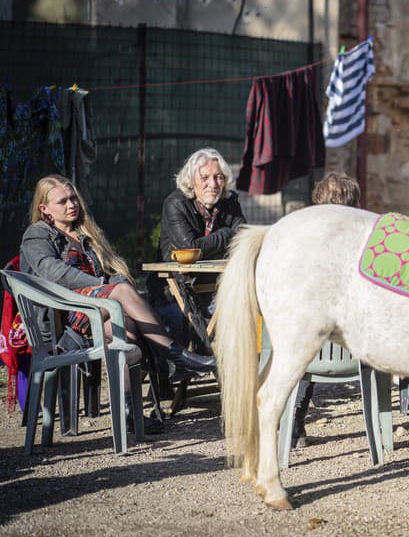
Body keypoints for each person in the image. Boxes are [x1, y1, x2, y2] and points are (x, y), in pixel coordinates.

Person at [20, 175, 217, 433]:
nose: (71, 205)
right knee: (122, 292)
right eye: (63, 201)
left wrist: (111, 282)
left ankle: (128, 413)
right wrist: (104, 285)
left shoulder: (84, 233)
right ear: (44, 209)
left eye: (73, 198)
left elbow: (113, 269)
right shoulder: (37, 234)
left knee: (127, 326)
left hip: (96, 311)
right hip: (64, 317)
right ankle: (173, 355)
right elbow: (52, 271)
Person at [292, 173, 362, 448]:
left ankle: (294, 424)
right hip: (361, 349)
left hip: (314, 349)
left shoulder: (301, 243)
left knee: (299, 341)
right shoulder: (366, 239)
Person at [149, 148, 246, 335]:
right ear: (192, 180)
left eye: (219, 177)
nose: (213, 184)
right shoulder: (176, 204)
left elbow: (243, 235)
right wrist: (226, 234)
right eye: (205, 177)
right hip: (178, 291)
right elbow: (190, 249)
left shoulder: (229, 201)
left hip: (216, 287)